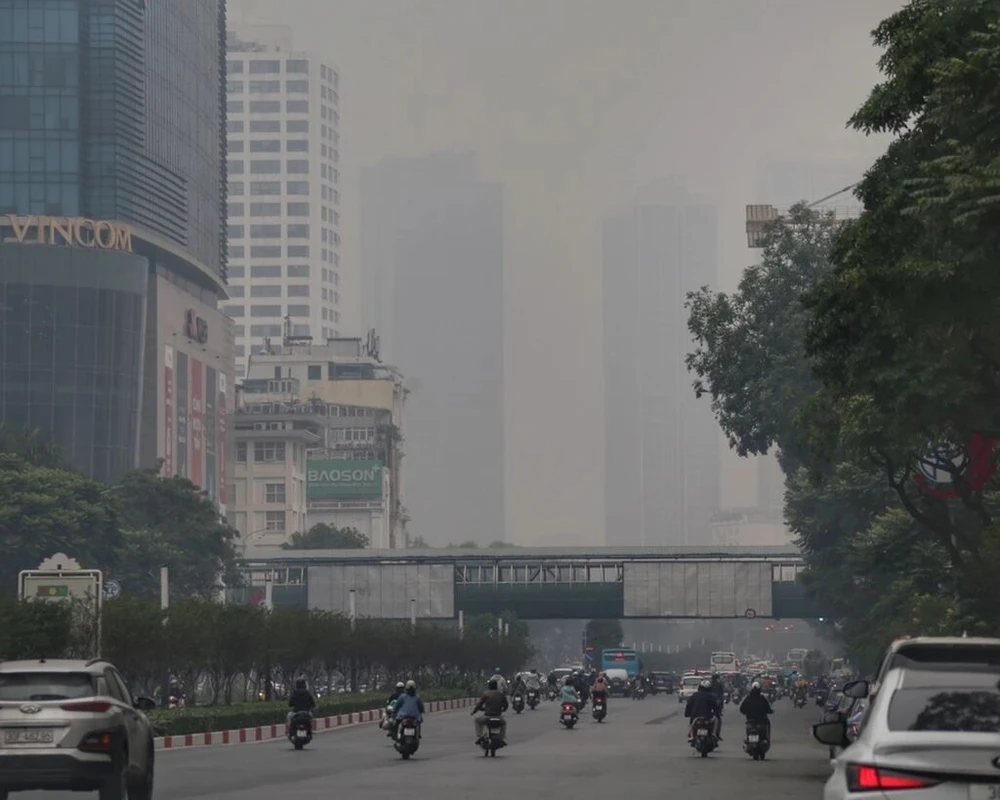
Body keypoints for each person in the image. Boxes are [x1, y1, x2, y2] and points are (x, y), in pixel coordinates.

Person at [471, 678, 508, 745]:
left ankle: (480, 736)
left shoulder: (486, 694)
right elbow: (506, 705)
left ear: (489, 686)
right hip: (498, 717)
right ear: (496, 686)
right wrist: (503, 709)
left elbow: (479, 704)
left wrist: (474, 712)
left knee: (477, 720)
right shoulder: (501, 694)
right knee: (503, 723)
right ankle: (501, 738)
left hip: (487, 717)